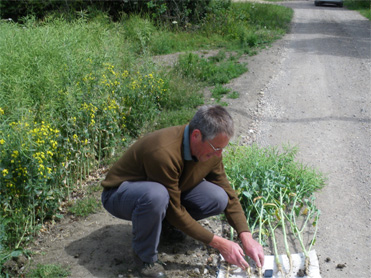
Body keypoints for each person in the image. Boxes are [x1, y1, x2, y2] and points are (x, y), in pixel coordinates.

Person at [101, 105, 264, 277]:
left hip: (167, 191)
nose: (219, 154)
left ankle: (164, 227)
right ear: (196, 135)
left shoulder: (211, 151)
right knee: (156, 195)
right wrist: (219, 243)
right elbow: (173, 209)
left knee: (218, 197)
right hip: (121, 194)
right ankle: (145, 258)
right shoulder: (163, 152)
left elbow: (228, 193)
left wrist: (246, 236)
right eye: (216, 148)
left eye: (222, 148)